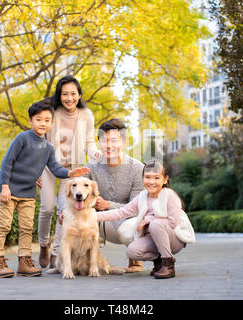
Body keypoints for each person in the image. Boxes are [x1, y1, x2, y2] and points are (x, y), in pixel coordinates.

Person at [0, 99, 90, 278]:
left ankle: (25, 260)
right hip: (10, 191)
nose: (42, 123)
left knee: (27, 228)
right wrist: (4, 186)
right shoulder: (22, 138)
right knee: (4, 226)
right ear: (30, 121)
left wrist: (70, 173)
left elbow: (55, 169)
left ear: (51, 123)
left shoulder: (48, 148)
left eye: (46, 120)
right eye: (38, 119)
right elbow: (7, 162)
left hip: (28, 194)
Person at [57, 118, 146, 272]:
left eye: (114, 140)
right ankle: (64, 260)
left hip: (124, 222)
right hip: (96, 221)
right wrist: (64, 210)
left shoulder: (137, 168)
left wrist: (109, 205)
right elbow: (73, 190)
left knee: (132, 224)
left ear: (123, 143)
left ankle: (135, 258)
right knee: (68, 216)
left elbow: (138, 208)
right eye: (104, 141)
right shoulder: (91, 166)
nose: (109, 145)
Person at [37, 75, 102, 269]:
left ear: (79, 95)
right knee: (47, 208)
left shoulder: (86, 115)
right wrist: (36, 171)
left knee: (64, 210)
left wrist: (95, 153)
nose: (69, 98)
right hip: (49, 164)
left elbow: (90, 141)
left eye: (73, 93)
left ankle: (56, 253)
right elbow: (39, 140)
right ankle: (43, 245)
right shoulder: (52, 112)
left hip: (72, 170)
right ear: (59, 95)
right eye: (64, 94)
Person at [96, 159, 196, 279]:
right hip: (153, 238)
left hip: (174, 238)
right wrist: (93, 217)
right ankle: (159, 262)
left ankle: (168, 264)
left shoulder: (169, 196)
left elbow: (172, 223)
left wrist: (148, 219)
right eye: (147, 177)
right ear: (142, 178)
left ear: (165, 180)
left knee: (155, 224)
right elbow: (121, 212)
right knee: (132, 251)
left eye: (156, 178)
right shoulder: (142, 197)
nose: (151, 181)